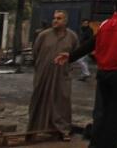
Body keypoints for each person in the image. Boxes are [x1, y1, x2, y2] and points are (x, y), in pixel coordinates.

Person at [59, 0, 117, 148]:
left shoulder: (104, 25)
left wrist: (71, 56)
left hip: (104, 73)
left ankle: (96, 143)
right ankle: (111, 144)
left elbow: (91, 45)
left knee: (102, 111)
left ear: (114, 7)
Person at [28, 10, 79, 138]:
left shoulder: (72, 37)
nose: (55, 20)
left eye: (59, 18)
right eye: (54, 18)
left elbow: (76, 54)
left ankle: (62, 130)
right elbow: (35, 53)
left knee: (61, 100)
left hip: (62, 75)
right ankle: (34, 129)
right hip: (43, 74)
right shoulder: (43, 35)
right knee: (39, 99)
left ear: (65, 21)